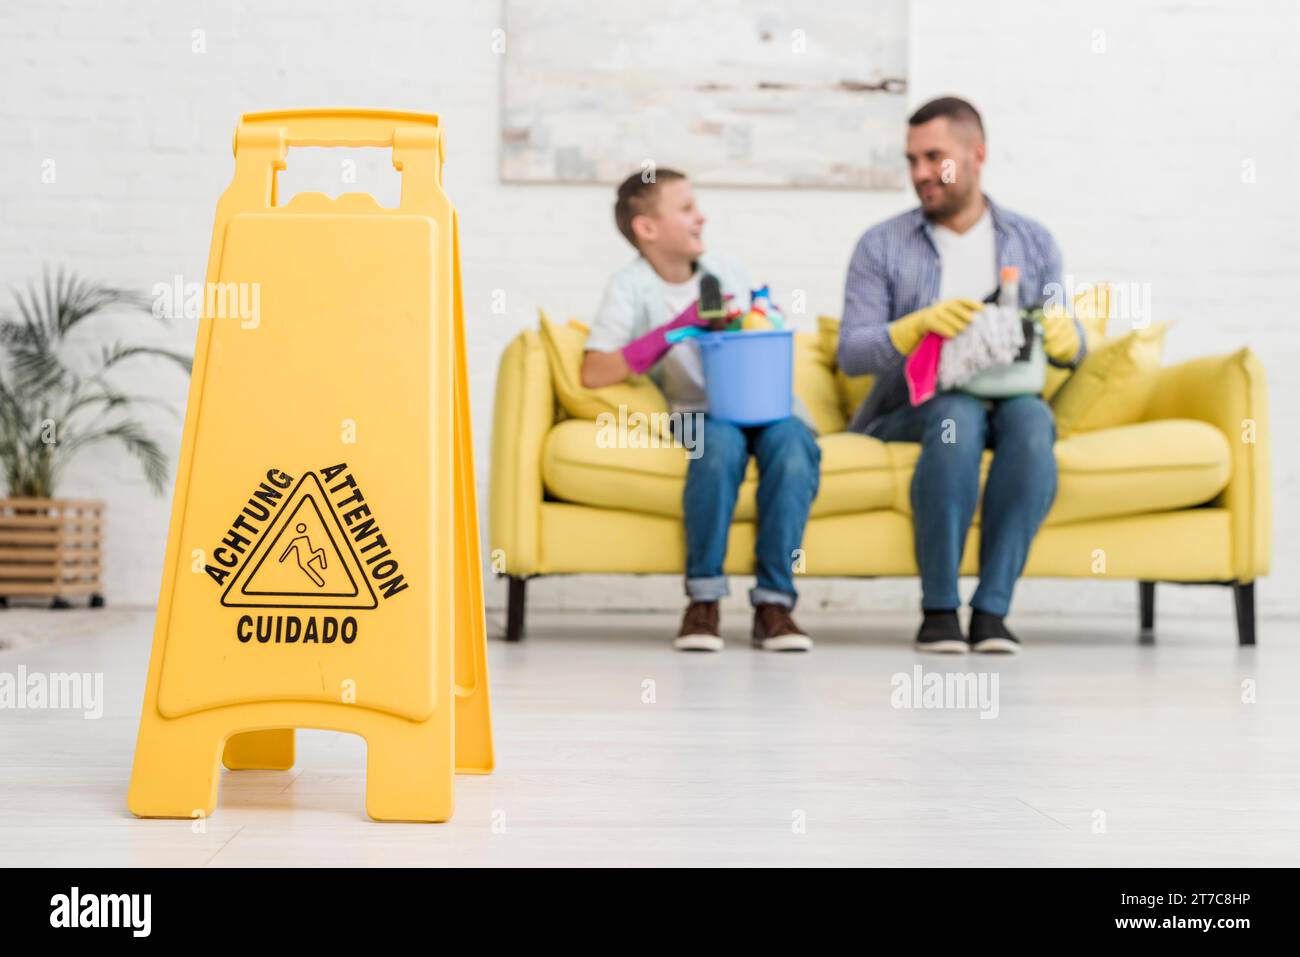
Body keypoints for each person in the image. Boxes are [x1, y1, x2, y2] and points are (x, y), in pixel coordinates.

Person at [838, 97, 1086, 654]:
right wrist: (910, 329)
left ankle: (993, 612)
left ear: (977, 155)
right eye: (912, 160)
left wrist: (1073, 341)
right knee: (958, 412)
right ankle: (940, 609)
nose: (921, 173)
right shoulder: (882, 245)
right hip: (917, 405)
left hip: (1011, 395)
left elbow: (1064, 335)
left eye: (935, 157)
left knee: (1032, 420)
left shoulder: (1033, 241)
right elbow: (851, 353)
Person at [582, 168, 821, 653]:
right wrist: (676, 329)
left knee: (795, 446)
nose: (701, 216)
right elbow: (594, 371)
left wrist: (756, 317)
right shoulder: (629, 287)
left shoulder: (726, 271)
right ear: (647, 229)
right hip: (701, 412)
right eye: (686, 208)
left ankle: (775, 605)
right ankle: (704, 600)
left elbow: (763, 330)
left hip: (764, 404)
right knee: (716, 446)